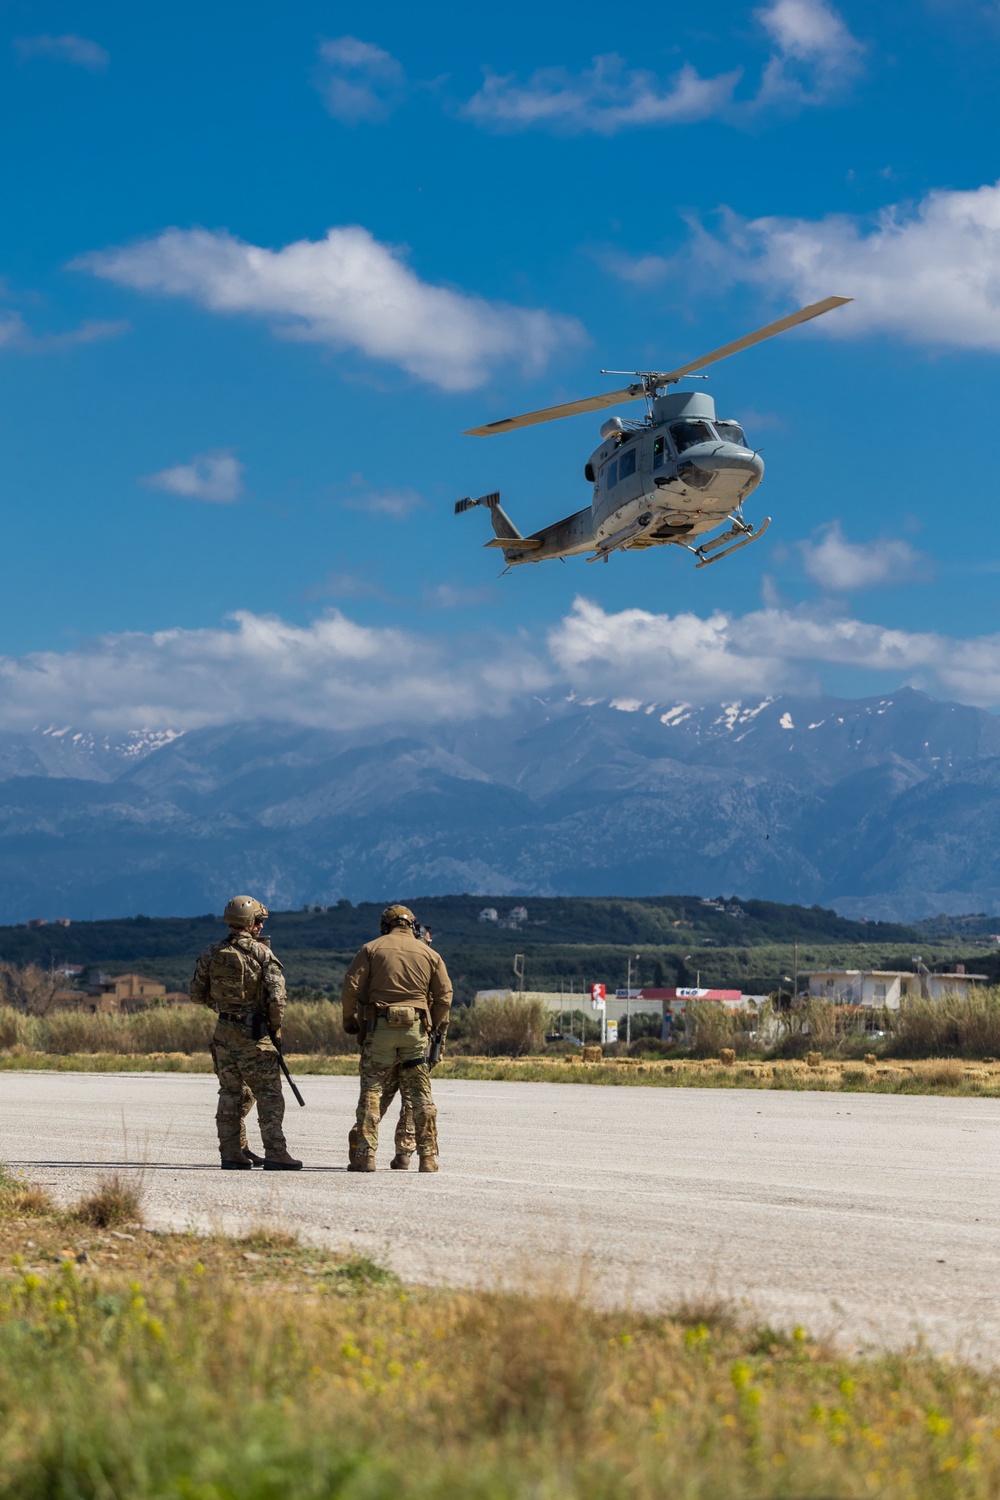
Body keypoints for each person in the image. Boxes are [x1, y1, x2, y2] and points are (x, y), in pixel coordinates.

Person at [190, 895, 302, 1171]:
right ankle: (276, 1152)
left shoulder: (211, 952)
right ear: (249, 922)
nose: (261, 927)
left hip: (224, 1031)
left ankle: (232, 1153)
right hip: (254, 1033)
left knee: (230, 1093)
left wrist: (224, 1007)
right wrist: (274, 1029)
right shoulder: (262, 954)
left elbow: (196, 994)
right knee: (269, 1095)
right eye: (259, 921)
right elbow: (277, 998)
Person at [341, 904, 452, 1173]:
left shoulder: (371, 949)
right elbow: (445, 996)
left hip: (380, 1029)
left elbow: (350, 988)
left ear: (385, 925)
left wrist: (350, 1022)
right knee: (421, 1097)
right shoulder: (430, 953)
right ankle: (427, 1159)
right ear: (413, 926)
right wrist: (433, 1027)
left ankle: (365, 1157)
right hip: (416, 1031)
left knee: (372, 1092)